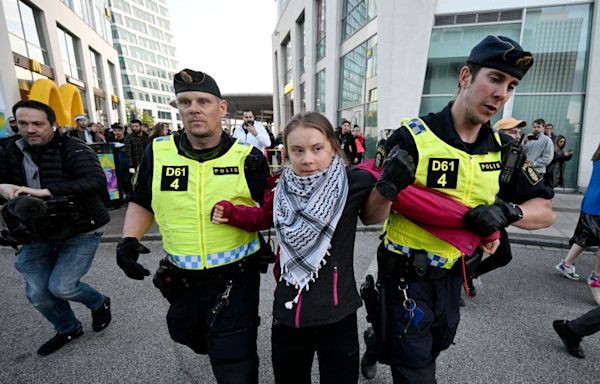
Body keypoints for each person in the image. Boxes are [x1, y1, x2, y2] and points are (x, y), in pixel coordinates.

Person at [361, 35, 554, 383]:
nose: (502, 94)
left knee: (436, 344)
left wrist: (511, 212)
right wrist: (388, 186)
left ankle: (376, 342)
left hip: (453, 278)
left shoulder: (504, 150)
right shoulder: (412, 137)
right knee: (417, 371)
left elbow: (545, 210)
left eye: (511, 86)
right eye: (494, 79)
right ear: (466, 77)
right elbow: (371, 216)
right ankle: (382, 341)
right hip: (404, 278)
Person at [115, 69, 269, 384]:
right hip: (181, 278)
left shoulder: (249, 158)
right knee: (184, 331)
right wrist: (128, 240)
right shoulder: (158, 152)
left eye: (203, 101)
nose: (193, 108)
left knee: (234, 361)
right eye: (185, 102)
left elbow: (268, 213)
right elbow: (143, 200)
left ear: (221, 108)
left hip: (235, 276)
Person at [211, 111, 378, 384]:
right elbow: (262, 217)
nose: (307, 159)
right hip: (289, 310)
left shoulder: (352, 182)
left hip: (338, 313)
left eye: (317, 149)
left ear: (333, 148)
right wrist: (231, 213)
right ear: (286, 153)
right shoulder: (281, 188)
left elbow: (388, 187)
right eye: (297, 150)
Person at [0, 100, 111, 356]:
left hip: (81, 229)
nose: (30, 130)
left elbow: (95, 181)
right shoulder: (8, 150)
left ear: (53, 124)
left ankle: (99, 302)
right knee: (38, 292)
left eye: (38, 124)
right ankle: (68, 328)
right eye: (23, 123)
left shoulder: (74, 148)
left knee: (62, 286)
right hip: (34, 233)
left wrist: (46, 191)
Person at [555, 144, 600, 304]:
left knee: (584, 238)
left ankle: (566, 264)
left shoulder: (597, 157)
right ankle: (596, 276)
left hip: (590, 203)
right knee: (588, 238)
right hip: (597, 206)